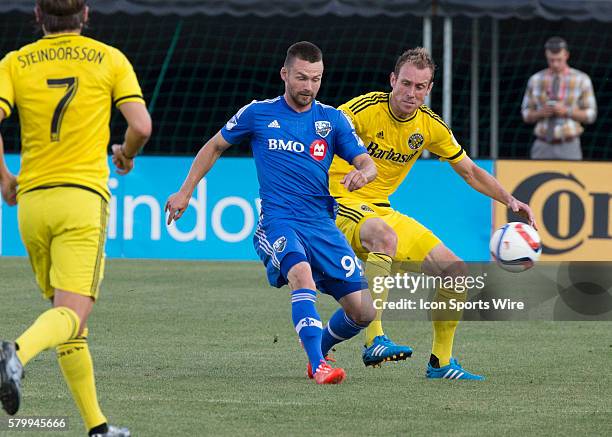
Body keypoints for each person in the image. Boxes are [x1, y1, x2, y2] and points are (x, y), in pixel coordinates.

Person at [166, 41, 377, 385]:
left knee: (363, 312)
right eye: (301, 78)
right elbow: (215, 145)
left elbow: (367, 163)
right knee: (301, 275)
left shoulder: (333, 120)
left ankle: (319, 348)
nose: (308, 86)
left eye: (315, 79)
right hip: (278, 220)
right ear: (284, 74)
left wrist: (363, 174)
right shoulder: (258, 113)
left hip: (320, 224)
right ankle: (318, 366)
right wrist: (185, 191)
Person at [328, 47, 535, 379]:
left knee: (456, 271)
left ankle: (440, 363)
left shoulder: (430, 126)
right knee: (384, 235)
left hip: (379, 210)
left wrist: (509, 199)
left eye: (420, 87)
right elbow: (322, 136)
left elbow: (469, 171)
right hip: (338, 201)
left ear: (429, 88)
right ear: (392, 80)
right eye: (406, 83)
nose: (411, 93)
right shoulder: (363, 109)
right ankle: (373, 339)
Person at [0, 1, 151, 435]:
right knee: (71, 312)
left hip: (32, 203)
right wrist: (125, 153)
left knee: (68, 318)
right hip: (81, 199)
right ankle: (15, 354)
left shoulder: (15, 62)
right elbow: (140, 125)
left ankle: (97, 426)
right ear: (85, 14)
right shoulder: (108, 57)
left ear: (37, 15)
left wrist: (5, 178)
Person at [521, 36, 597, 160]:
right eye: (551, 60)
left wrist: (567, 111)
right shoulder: (535, 80)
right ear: (546, 55)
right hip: (542, 144)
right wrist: (540, 113)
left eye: (559, 60)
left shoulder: (582, 79)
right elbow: (525, 113)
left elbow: (591, 115)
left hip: (569, 144)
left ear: (566, 55)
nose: (555, 64)